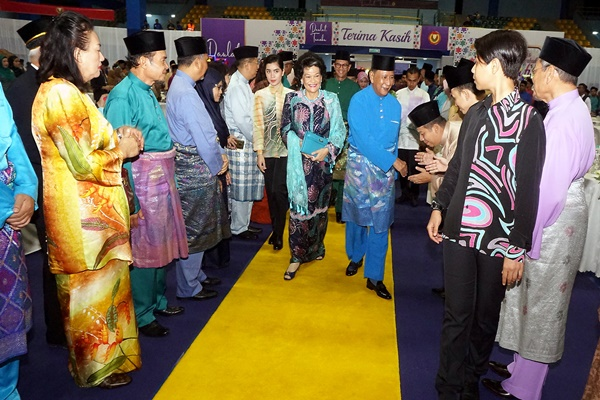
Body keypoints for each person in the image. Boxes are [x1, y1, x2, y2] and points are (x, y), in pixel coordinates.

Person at [426, 30, 546, 399]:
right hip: (459, 231)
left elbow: (528, 190)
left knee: (484, 318)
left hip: (499, 238)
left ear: (494, 66)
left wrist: (516, 248)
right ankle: (448, 386)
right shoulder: (476, 113)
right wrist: (439, 206)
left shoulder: (529, 121)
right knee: (456, 315)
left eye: (477, 62)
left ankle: (470, 380)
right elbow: (458, 168)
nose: (473, 69)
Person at [32, 11, 143, 388]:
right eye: (96, 49)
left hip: (93, 218)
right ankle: (94, 370)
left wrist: (117, 136)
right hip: (82, 221)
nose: (102, 57)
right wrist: (122, 151)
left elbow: (89, 143)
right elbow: (82, 163)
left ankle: (106, 363)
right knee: (89, 298)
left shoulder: (70, 91)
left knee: (103, 293)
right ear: (75, 52)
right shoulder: (61, 94)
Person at [483, 37, 594, 400]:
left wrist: (520, 241)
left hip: (553, 220)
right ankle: (520, 366)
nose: (532, 76)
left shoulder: (563, 120)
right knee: (529, 295)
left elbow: (547, 192)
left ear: (551, 72)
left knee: (543, 301)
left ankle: (524, 387)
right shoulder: (567, 109)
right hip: (558, 216)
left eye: (536, 68)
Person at [104, 30, 189, 337]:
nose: (166, 66)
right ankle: (142, 313)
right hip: (141, 181)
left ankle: (157, 301)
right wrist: (131, 201)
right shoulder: (123, 95)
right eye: (162, 60)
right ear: (142, 61)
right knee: (144, 248)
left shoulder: (148, 89)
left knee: (161, 242)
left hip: (160, 178)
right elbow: (118, 153)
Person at [5, 18, 66, 348]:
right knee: (53, 260)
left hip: (54, 185)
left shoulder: (49, 84)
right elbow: (26, 149)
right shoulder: (22, 89)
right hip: (44, 187)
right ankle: (57, 329)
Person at [167, 36, 229, 301]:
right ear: (198, 62)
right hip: (196, 169)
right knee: (195, 227)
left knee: (197, 224)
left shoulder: (180, 86)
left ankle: (196, 276)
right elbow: (203, 139)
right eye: (206, 60)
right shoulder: (186, 94)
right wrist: (219, 164)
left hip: (190, 167)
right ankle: (188, 285)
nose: (207, 64)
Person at [342, 55, 406, 299]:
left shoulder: (395, 105)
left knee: (381, 222)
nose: (388, 82)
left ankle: (375, 276)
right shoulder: (358, 101)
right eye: (384, 77)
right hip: (359, 169)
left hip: (384, 174)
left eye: (391, 77)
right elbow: (362, 139)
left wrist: (392, 168)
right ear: (371, 76)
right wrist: (394, 162)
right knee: (357, 218)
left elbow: (394, 141)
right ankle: (355, 256)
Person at [280, 51, 345, 280]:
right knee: (299, 211)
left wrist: (327, 150)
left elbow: (339, 130)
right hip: (299, 166)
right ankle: (296, 257)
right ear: (300, 77)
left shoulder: (331, 100)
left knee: (320, 211)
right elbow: (284, 128)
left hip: (322, 165)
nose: (313, 81)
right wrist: (297, 143)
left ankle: (317, 247)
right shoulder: (292, 99)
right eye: (308, 76)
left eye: (316, 75)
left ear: (322, 77)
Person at [0, 85, 37, 400]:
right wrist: (6, 203)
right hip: (6, 208)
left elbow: (11, 136)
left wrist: (26, 187)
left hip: (8, 227)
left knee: (8, 315)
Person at [253, 53, 293, 251]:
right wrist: (259, 152)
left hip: (287, 151)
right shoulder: (260, 95)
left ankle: (278, 233)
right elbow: (258, 125)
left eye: (276, 71)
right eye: (268, 71)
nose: (272, 75)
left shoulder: (292, 95)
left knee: (280, 191)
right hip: (268, 151)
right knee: (271, 192)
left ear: (283, 71)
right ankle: (276, 230)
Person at [224, 46, 264, 240]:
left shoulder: (243, 84)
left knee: (247, 186)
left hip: (246, 142)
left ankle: (243, 223)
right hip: (241, 142)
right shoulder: (237, 87)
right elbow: (243, 121)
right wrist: (258, 141)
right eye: (256, 63)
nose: (257, 67)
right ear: (247, 64)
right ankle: (238, 227)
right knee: (240, 187)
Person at [196, 66, 233, 270]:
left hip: (218, 168)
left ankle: (216, 259)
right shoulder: (202, 110)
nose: (220, 92)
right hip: (208, 171)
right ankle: (206, 264)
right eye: (218, 87)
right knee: (209, 217)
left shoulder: (212, 107)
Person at [325, 50, 360, 223]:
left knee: (343, 174)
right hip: (326, 132)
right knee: (325, 170)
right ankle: (324, 204)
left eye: (344, 66)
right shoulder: (325, 84)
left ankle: (340, 209)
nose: (341, 68)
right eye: (338, 65)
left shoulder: (354, 88)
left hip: (346, 133)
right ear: (333, 66)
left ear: (349, 67)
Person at [407, 101, 461, 205]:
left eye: (422, 133)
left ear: (436, 128)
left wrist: (431, 178)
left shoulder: (457, 136)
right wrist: (434, 161)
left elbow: (457, 181)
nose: (421, 139)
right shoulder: (448, 134)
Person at [395, 65, 430, 207]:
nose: (411, 83)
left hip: (416, 138)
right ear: (405, 79)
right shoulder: (399, 94)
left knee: (415, 167)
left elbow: (426, 118)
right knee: (402, 166)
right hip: (401, 137)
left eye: (414, 80)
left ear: (419, 79)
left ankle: (414, 194)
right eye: (409, 80)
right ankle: (404, 193)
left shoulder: (424, 95)